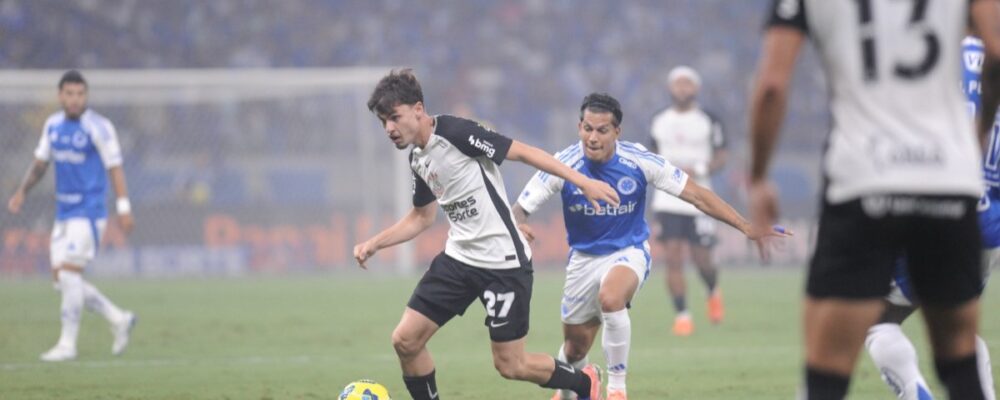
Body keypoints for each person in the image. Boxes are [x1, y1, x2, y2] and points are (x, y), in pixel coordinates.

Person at [748, 1, 1000, 398]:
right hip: (954, 185)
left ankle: (912, 392)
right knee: (958, 348)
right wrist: (980, 132)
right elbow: (995, 55)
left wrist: (759, 176)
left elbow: (771, 87)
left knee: (839, 354)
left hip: (864, 179)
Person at [352, 69, 620, 400]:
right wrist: (375, 243)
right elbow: (422, 217)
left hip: (502, 263)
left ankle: (584, 383)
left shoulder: (456, 132)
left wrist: (583, 181)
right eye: (383, 122)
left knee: (511, 365)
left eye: (394, 117)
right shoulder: (418, 158)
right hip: (458, 259)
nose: (389, 128)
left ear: (418, 109)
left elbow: (524, 152)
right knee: (405, 341)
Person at [513, 93, 785, 400]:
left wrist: (746, 225)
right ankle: (573, 390)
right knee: (575, 348)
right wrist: (519, 224)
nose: (593, 138)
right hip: (583, 260)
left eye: (602, 130)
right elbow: (520, 208)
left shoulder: (639, 161)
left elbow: (696, 194)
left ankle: (617, 389)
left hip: (628, 252)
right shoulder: (562, 164)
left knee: (611, 297)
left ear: (617, 131)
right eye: (587, 129)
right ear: (579, 127)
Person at [863, 35, 997, 400]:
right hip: (991, 224)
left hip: (936, 202)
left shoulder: (931, 51)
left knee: (876, 316)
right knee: (956, 321)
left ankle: (915, 393)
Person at [7, 70, 137, 362]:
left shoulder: (99, 127)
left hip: (89, 211)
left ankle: (67, 345)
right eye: (70, 94)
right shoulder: (52, 125)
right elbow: (40, 164)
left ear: (86, 96)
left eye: (80, 94)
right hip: (63, 212)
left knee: (69, 275)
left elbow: (115, 167)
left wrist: (123, 208)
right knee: (62, 281)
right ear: (60, 96)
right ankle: (119, 319)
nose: (75, 99)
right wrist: (22, 192)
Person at [648, 66, 729, 336]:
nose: (682, 88)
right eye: (678, 84)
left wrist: (701, 169)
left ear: (696, 88)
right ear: (671, 88)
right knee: (672, 258)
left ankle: (712, 290)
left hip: (700, 197)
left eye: (687, 84)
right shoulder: (659, 120)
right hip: (667, 200)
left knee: (702, 259)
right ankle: (683, 315)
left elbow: (722, 155)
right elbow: (651, 155)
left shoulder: (709, 120)